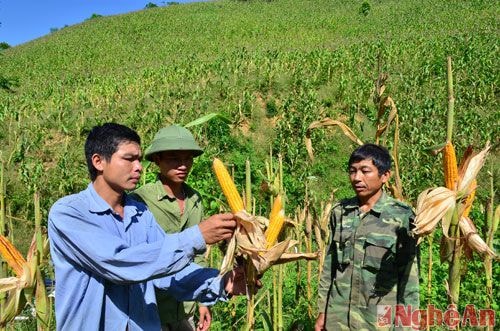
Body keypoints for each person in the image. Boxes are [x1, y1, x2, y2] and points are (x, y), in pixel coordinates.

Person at [48, 123, 243, 331]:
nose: (139, 167)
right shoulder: (69, 213)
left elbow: (168, 273)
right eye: (129, 159)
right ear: (98, 162)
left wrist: (222, 283)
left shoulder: (141, 214)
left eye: (139, 159)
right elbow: (120, 263)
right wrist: (197, 236)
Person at [315, 143, 419, 330]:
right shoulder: (340, 212)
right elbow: (329, 268)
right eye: (352, 171)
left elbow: (409, 279)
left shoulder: (402, 217)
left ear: (385, 175)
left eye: (365, 171)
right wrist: (323, 311)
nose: (357, 178)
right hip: (338, 320)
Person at [130, 125, 212, 331]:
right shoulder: (140, 201)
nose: (183, 165)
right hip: (150, 311)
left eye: (188, 159)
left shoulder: (195, 200)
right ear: (157, 160)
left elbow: (199, 255)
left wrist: (203, 300)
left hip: (185, 309)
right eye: (174, 158)